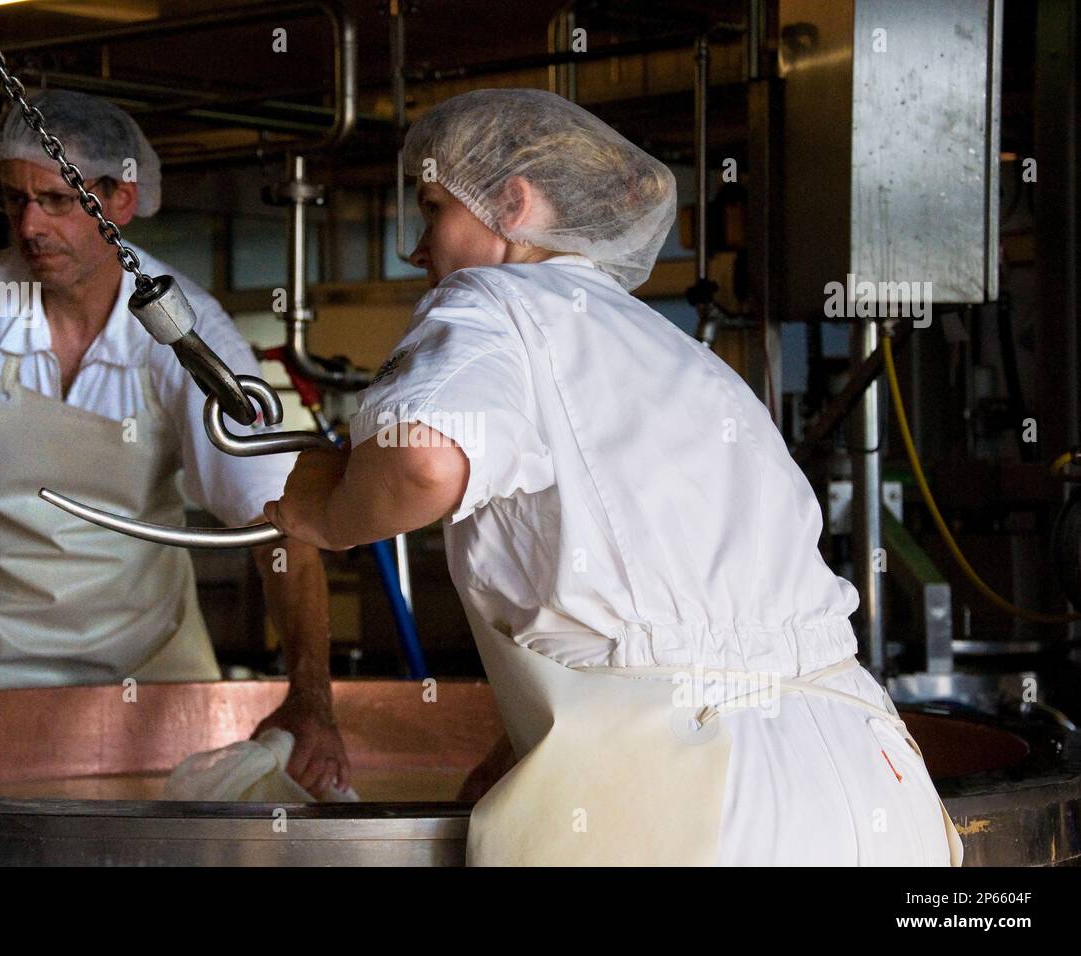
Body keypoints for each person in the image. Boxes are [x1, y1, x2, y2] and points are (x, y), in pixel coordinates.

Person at [263, 88, 963, 863]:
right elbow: (654, 624)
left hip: (696, 806)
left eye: (432, 210)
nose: (417, 249)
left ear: (511, 201)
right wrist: (520, 754)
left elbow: (425, 459)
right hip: (870, 780)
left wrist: (325, 516)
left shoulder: (497, 300)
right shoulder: (676, 357)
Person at [0, 90, 348, 796]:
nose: (30, 225)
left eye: (56, 200)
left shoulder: (187, 331)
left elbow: (281, 526)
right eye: (14, 201)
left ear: (122, 199)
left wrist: (310, 699)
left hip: (145, 677)